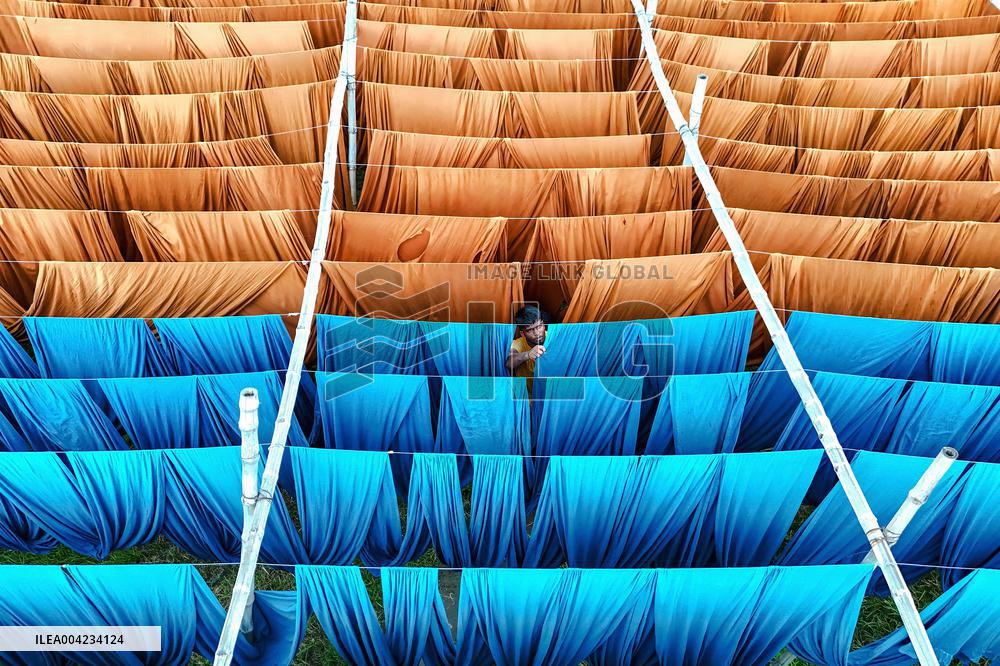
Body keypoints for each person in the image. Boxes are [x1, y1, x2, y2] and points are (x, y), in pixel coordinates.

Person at [506, 306, 548, 389]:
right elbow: (509, 363)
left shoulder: (553, 337)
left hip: (552, 394)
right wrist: (528, 354)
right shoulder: (517, 344)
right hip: (528, 396)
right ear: (522, 333)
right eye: (530, 330)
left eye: (539, 326)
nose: (537, 333)